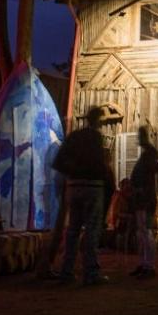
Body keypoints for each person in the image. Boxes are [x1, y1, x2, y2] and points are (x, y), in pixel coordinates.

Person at [52, 106, 113, 285]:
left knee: (73, 230)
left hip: (74, 187)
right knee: (92, 230)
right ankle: (90, 272)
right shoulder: (95, 138)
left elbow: (58, 162)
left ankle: (67, 271)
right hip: (92, 187)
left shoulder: (74, 137)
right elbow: (100, 166)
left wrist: (71, 175)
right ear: (98, 121)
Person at [129, 126, 158, 278]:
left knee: (146, 231)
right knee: (141, 232)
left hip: (146, 198)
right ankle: (143, 263)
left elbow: (148, 175)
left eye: (140, 136)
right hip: (142, 197)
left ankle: (149, 265)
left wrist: (140, 188)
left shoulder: (149, 155)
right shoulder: (147, 155)